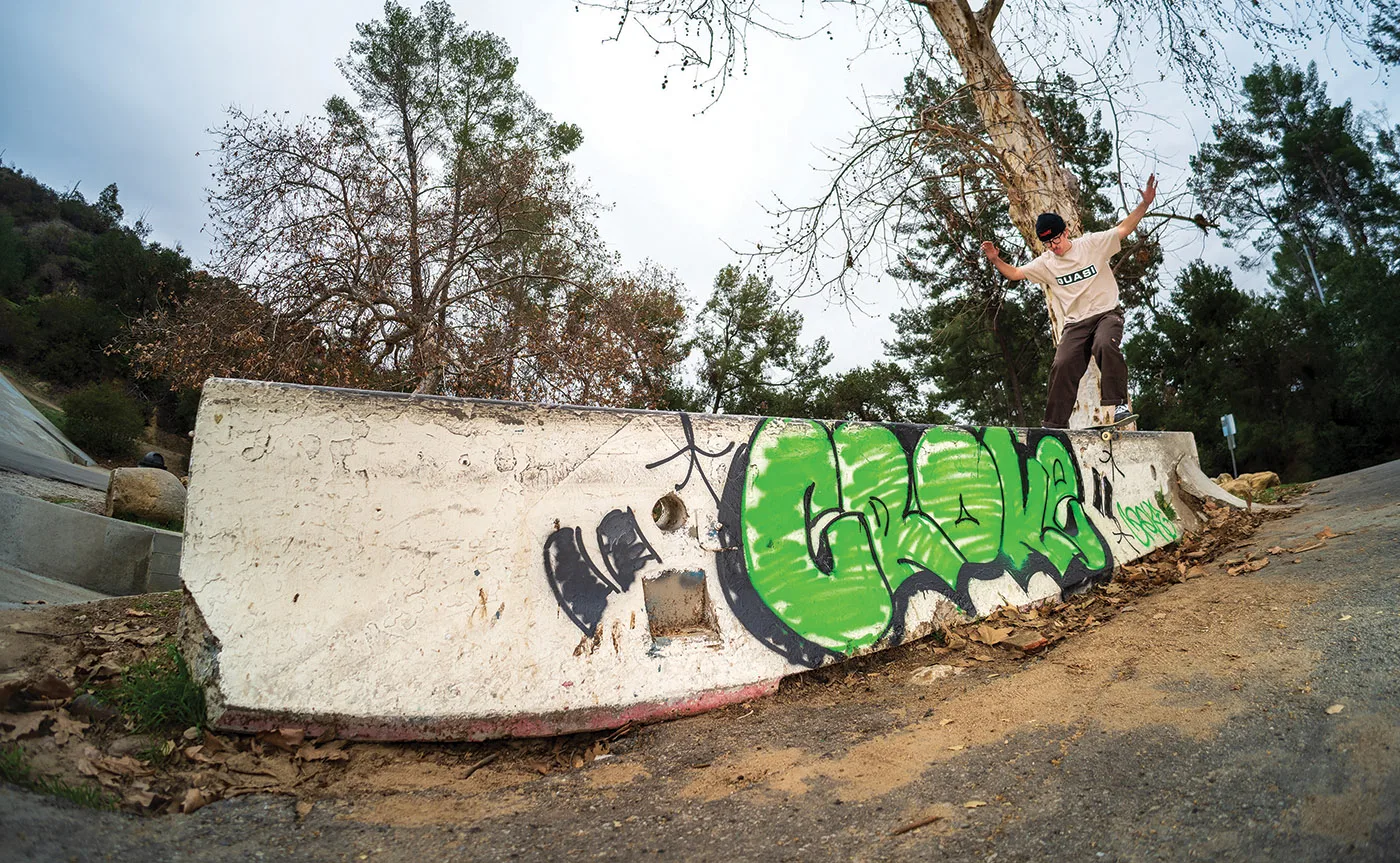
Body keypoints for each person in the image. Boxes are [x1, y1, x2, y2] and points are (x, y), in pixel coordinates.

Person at [981, 174, 1157, 429]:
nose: (1054, 247)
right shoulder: (1046, 263)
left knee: (1105, 346)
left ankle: (1118, 406)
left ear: (1066, 232)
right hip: (1076, 324)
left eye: (1056, 240)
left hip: (1107, 314)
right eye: (1048, 243)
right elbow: (1016, 274)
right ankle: (1053, 425)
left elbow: (1123, 229)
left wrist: (1144, 205)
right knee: (1062, 364)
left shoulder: (1092, 244)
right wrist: (996, 260)